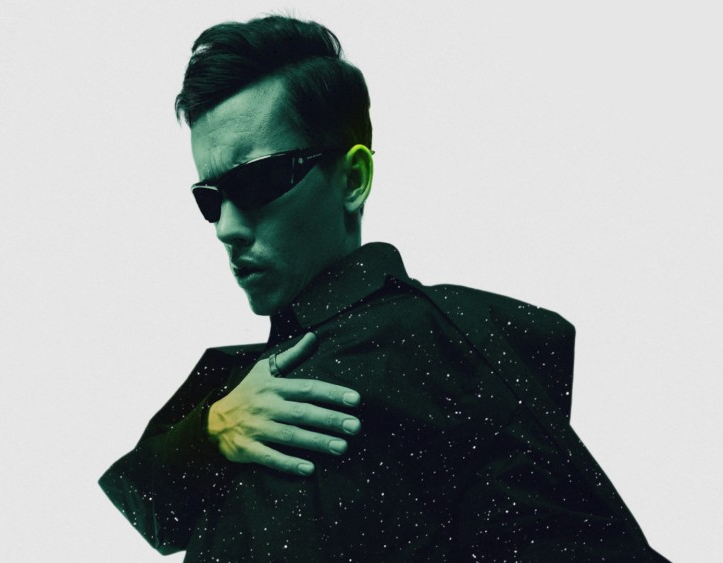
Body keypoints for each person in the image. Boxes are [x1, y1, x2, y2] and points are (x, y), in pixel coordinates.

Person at [99, 14, 667, 562]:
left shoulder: (427, 348)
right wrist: (210, 430)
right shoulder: (251, 388)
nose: (225, 228)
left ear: (352, 178)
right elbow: (150, 507)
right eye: (210, 199)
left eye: (255, 180)